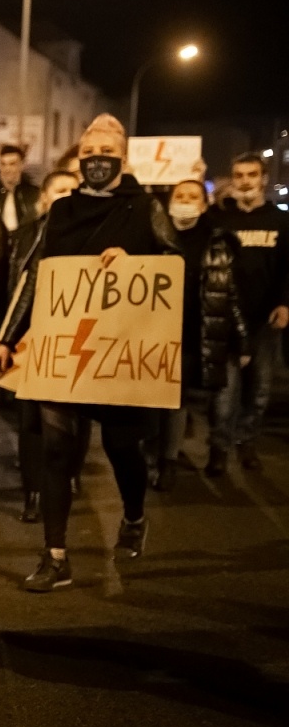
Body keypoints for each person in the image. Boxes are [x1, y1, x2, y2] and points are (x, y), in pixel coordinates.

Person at [0, 115, 181, 591]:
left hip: (121, 354)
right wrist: (7, 338)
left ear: (122, 157)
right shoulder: (62, 211)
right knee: (57, 449)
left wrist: (135, 264)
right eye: (88, 150)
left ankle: (134, 515)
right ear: (79, 159)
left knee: (122, 448)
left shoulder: (147, 208)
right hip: (67, 352)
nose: (96, 157)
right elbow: (37, 277)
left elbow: (176, 268)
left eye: (107, 149)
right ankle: (55, 556)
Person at [156, 179, 249, 489]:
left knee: (217, 399)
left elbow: (232, 292)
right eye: (179, 195)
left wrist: (241, 338)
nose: (185, 200)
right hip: (168, 333)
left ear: (204, 204)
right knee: (173, 398)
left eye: (192, 196)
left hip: (207, 329)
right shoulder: (157, 236)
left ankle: (217, 450)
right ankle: (167, 459)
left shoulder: (220, 241)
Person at [203, 152, 289, 475]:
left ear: (263, 179)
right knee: (224, 393)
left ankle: (247, 442)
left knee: (259, 390)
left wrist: (285, 304)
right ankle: (219, 450)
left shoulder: (280, 221)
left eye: (252, 175)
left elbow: (287, 269)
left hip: (265, 320)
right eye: (239, 175)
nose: (245, 181)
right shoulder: (222, 218)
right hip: (226, 319)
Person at [2, 170, 79, 522]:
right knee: (31, 420)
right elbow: (19, 289)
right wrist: (4, 338)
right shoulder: (24, 237)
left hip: (78, 337)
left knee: (71, 420)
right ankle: (33, 492)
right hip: (33, 337)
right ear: (44, 199)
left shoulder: (87, 233)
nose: (67, 195)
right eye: (59, 189)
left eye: (72, 190)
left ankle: (66, 477)